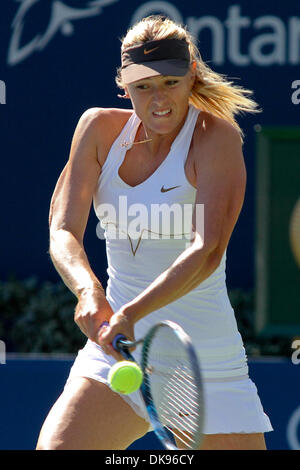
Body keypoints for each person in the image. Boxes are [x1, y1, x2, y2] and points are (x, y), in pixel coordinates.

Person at [36, 15, 273, 450]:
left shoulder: (216, 137)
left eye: (169, 82)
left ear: (191, 76)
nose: (158, 98)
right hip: (116, 356)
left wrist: (130, 313)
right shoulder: (97, 129)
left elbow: (207, 250)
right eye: (143, 86)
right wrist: (89, 292)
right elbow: (63, 229)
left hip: (204, 365)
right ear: (123, 86)